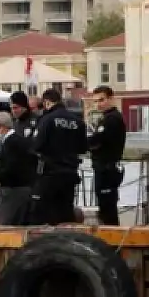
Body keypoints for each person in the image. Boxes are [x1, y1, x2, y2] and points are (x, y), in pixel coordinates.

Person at [28, 88, 87, 225]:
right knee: (66, 211)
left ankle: (50, 241)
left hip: (50, 173)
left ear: (47, 102)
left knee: (46, 212)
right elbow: (83, 147)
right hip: (70, 173)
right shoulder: (77, 121)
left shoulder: (46, 119)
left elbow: (37, 145)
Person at [0, 112, 36, 225]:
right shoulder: (21, 140)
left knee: (4, 223)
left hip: (13, 191)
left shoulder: (10, 143)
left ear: (2, 127)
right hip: (25, 188)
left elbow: (11, 167)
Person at [87, 85, 127, 226]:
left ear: (111, 99)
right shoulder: (106, 118)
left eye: (101, 100)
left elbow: (97, 141)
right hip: (104, 168)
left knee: (108, 209)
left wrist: (88, 141)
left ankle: (112, 239)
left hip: (107, 169)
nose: (98, 104)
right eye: (96, 101)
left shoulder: (112, 119)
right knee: (105, 207)